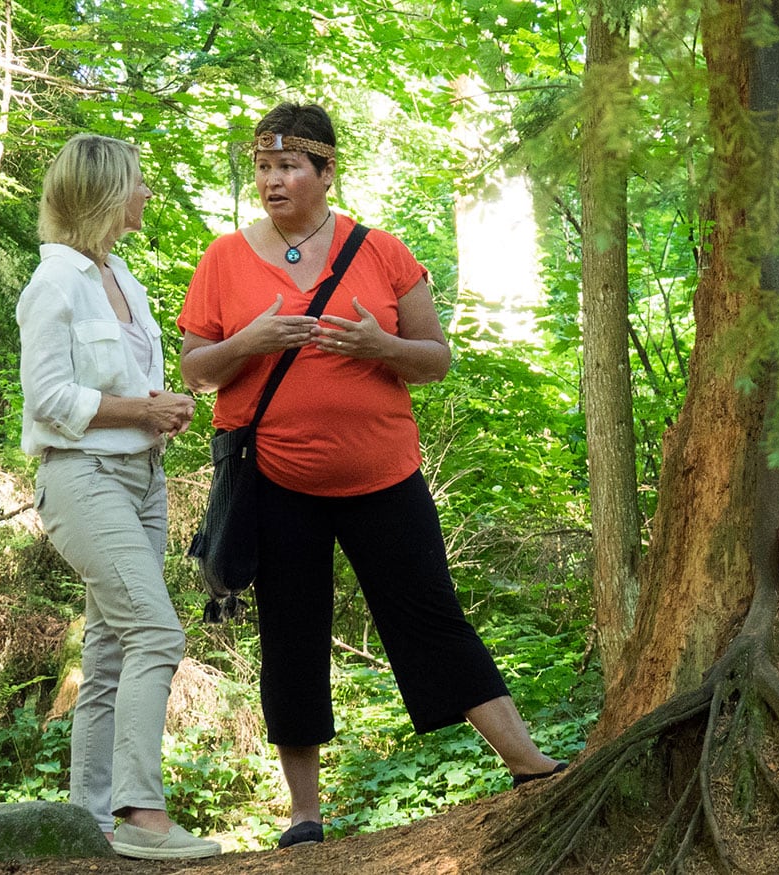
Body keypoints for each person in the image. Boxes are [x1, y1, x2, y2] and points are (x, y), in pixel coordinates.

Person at [178, 103, 565, 850]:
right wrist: (250, 340)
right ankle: (303, 816)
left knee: (429, 612)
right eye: (262, 167)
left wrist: (379, 344)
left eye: (289, 166)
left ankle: (528, 762)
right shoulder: (223, 259)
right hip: (275, 480)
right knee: (292, 631)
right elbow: (195, 370)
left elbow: (437, 358)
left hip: (384, 475)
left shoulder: (380, 251)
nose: (272, 180)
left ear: (326, 171)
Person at [18, 134, 220, 861]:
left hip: (143, 479)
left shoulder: (122, 278)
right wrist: (139, 411)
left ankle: (91, 822)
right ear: (105, 193)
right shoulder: (55, 283)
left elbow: (128, 388)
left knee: (109, 649)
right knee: (156, 633)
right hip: (81, 476)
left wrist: (159, 406)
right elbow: (46, 398)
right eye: (136, 183)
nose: (145, 195)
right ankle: (143, 814)